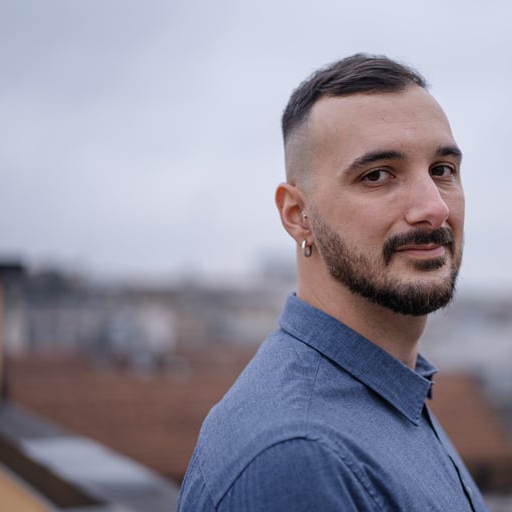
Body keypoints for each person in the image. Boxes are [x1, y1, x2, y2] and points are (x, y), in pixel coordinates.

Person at [178, 53, 489, 511]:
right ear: (297, 215)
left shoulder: (392, 390)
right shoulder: (298, 457)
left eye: (442, 170)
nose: (434, 208)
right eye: (377, 175)